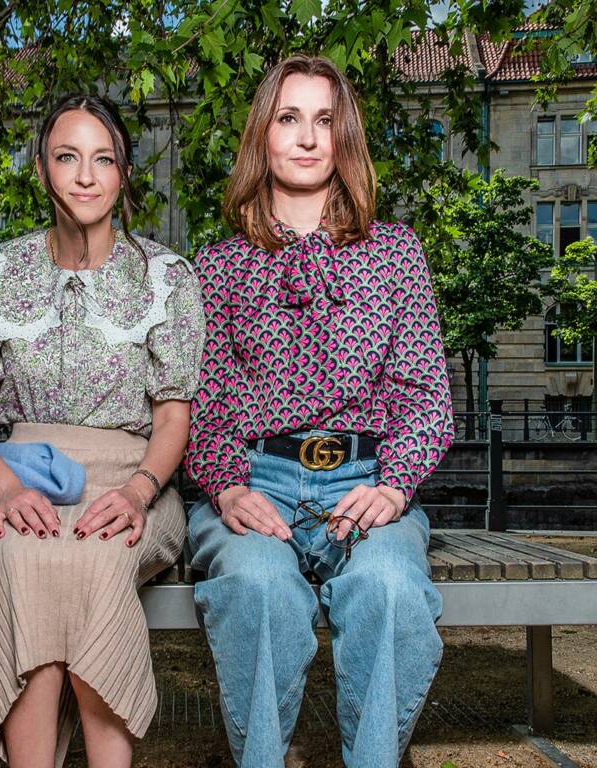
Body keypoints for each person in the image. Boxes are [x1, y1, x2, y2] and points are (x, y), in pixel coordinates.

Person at [184, 55, 454, 768]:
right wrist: (227, 486)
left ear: (345, 138)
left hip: (366, 483)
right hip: (256, 482)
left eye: (324, 120)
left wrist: (395, 485)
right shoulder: (215, 267)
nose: (306, 137)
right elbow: (200, 406)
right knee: (257, 585)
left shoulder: (396, 253)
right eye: (289, 117)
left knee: (390, 587)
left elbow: (427, 396)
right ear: (262, 135)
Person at [0, 94, 205, 768]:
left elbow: (174, 415)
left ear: (124, 174)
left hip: (134, 480)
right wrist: (2, 489)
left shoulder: (167, 279)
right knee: (29, 555)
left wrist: (140, 491)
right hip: (18, 480)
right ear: (41, 168)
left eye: (103, 159)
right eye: (67, 157)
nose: (86, 176)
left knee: (96, 555)